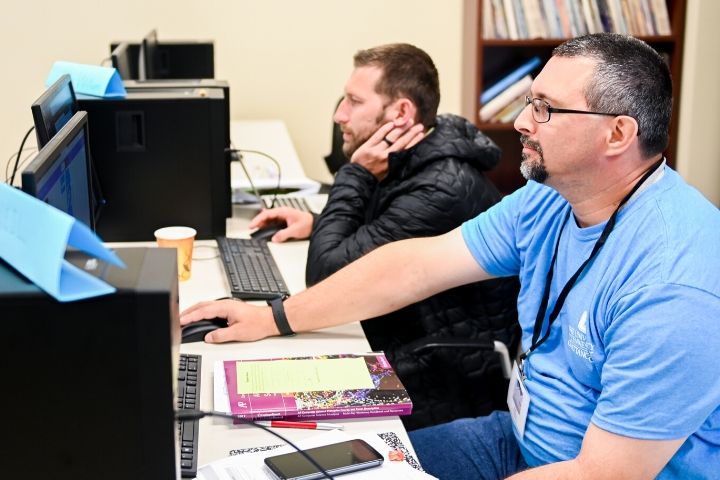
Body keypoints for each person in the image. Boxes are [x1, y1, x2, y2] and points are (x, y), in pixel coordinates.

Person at [183, 33, 720, 478]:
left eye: (545, 109)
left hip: (576, 469)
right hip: (516, 437)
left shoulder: (674, 287)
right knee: (299, 470)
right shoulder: (549, 197)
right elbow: (417, 264)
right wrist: (273, 317)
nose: (522, 123)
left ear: (617, 133)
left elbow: (601, 474)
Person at [249, 43, 521, 430]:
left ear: (401, 113)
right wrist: (317, 220)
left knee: (272, 408)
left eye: (353, 101)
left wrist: (355, 174)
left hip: (434, 376)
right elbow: (387, 225)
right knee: (259, 387)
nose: (339, 114)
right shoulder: (418, 152)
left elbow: (328, 277)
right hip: (399, 341)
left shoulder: (441, 188)